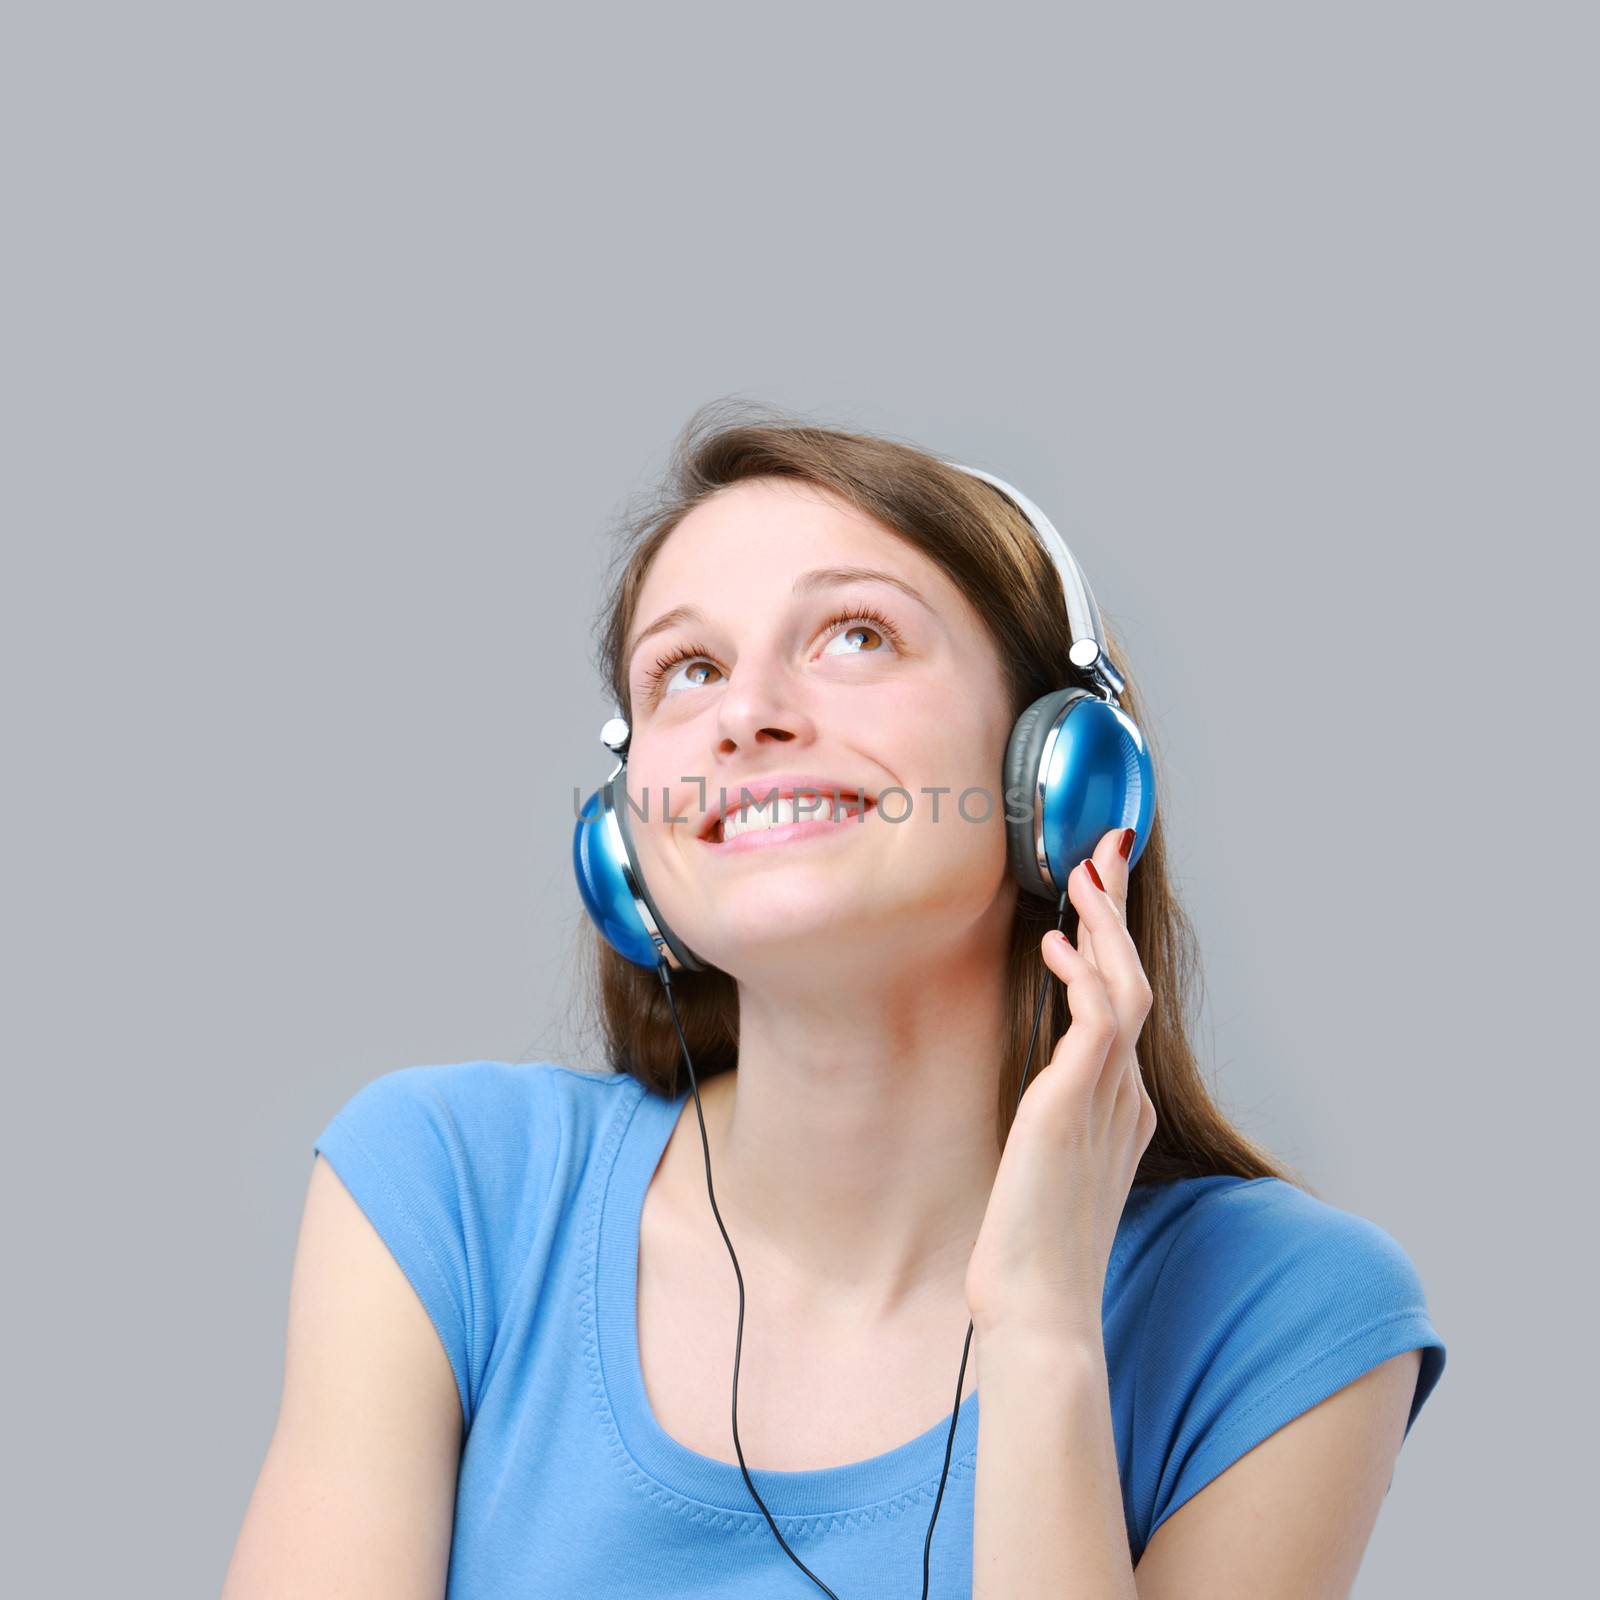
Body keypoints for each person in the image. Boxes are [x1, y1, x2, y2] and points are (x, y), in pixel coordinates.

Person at [222, 406, 1446, 1598]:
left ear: (1058, 773)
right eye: (686, 670)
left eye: (855, 635)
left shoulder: (1286, 1318)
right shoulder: (445, 1192)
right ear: (624, 842)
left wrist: (1042, 1330)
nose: (746, 714)